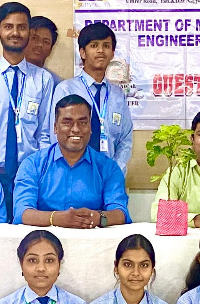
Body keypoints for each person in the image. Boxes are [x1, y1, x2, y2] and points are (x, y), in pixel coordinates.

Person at [0, 2, 57, 213]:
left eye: (21, 27)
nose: (15, 33)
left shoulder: (43, 79)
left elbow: (44, 133)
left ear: (29, 32)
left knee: (26, 227)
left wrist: (43, 172)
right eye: (8, 27)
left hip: (29, 174)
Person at [14, 94, 130, 227]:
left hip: (91, 236)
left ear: (90, 128)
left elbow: (121, 212)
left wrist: (97, 218)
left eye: (83, 122)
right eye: (67, 123)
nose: (76, 129)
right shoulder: (33, 165)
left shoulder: (108, 168)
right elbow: (22, 212)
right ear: (55, 127)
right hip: (45, 238)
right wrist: (56, 218)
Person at [50, 22, 132, 171]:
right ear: (82, 52)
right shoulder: (66, 89)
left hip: (108, 175)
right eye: (94, 46)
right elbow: (55, 135)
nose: (101, 50)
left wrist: (114, 170)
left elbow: (125, 140)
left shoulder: (118, 94)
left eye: (106, 46)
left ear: (112, 53)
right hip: (72, 173)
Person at [26, 14, 62, 80]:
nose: (40, 44)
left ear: (50, 50)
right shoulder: (9, 74)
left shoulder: (54, 82)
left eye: (46, 42)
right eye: (34, 38)